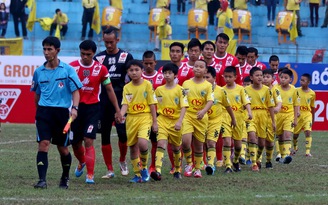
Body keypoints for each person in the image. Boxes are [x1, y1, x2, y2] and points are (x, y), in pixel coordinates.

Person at [31, 36, 82, 189]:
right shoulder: (39, 72)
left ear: (57, 51)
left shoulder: (67, 70)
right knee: (43, 144)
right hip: (44, 113)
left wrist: (75, 108)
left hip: (61, 114)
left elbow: (76, 91)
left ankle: (65, 178)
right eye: (44, 49)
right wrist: (38, 113)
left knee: (63, 148)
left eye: (49, 49)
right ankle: (42, 180)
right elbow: (36, 94)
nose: (46, 52)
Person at [69, 40, 122, 184]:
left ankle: (90, 175)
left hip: (93, 109)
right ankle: (81, 162)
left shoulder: (101, 69)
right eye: (83, 54)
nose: (85, 57)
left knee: (88, 140)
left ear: (93, 54)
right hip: (76, 109)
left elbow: (109, 89)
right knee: (75, 143)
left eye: (88, 54)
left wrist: (117, 110)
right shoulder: (72, 67)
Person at [94, 27, 133, 179]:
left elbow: (132, 78)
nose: (109, 45)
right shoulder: (98, 58)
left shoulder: (126, 56)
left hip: (122, 102)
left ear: (117, 40)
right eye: (106, 42)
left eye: (111, 42)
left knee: (123, 135)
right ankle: (109, 169)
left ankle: (122, 160)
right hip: (104, 102)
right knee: (105, 135)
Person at [120, 60, 158, 183]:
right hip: (131, 119)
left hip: (145, 117)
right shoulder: (126, 87)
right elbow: (125, 104)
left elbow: (152, 104)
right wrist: (120, 114)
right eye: (131, 70)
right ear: (127, 73)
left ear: (142, 71)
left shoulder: (147, 85)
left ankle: (144, 168)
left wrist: (155, 122)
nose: (134, 72)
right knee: (132, 147)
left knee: (143, 143)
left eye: (137, 70)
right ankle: (137, 174)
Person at [150, 62, 188, 181]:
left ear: (175, 75)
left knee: (176, 148)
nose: (167, 75)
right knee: (161, 144)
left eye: (169, 73)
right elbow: (153, 106)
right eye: (165, 73)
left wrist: (179, 121)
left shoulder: (180, 90)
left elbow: (184, 106)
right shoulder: (159, 90)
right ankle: (158, 170)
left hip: (176, 121)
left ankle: (177, 169)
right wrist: (154, 122)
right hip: (162, 120)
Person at [181, 59, 213, 178]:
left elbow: (210, 100)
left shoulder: (208, 85)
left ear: (205, 71)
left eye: (201, 67)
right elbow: (183, 100)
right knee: (185, 142)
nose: (198, 68)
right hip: (188, 116)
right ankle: (189, 164)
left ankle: (197, 168)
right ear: (192, 68)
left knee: (199, 145)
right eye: (196, 66)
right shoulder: (186, 84)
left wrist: (203, 111)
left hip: (201, 118)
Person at [204, 66, 236, 175]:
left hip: (216, 120)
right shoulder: (200, 90)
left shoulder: (221, 91)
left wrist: (233, 119)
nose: (205, 79)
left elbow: (228, 106)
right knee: (201, 144)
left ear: (214, 78)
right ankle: (198, 164)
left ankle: (212, 165)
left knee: (211, 142)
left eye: (207, 77)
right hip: (202, 121)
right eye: (203, 77)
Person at [221, 66, 252, 173]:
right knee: (227, 141)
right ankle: (228, 165)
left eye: (230, 77)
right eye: (226, 77)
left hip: (239, 118)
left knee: (238, 145)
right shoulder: (222, 90)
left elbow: (246, 102)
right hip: (225, 118)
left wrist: (249, 112)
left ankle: (235, 160)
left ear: (235, 77)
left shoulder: (241, 89)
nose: (227, 79)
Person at [245, 67, 275, 171]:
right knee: (253, 138)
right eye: (257, 75)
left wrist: (273, 122)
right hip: (251, 115)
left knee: (262, 143)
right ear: (251, 77)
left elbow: (270, 106)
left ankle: (257, 159)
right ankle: (254, 164)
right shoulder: (246, 90)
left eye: (261, 75)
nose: (260, 77)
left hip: (263, 116)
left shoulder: (267, 90)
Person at [141, 50, 165, 173]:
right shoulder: (139, 77)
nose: (148, 66)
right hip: (142, 115)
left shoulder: (161, 77)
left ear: (155, 62)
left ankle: (153, 166)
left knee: (155, 141)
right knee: (141, 142)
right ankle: (142, 165)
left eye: (151, 63)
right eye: (146, 63)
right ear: (142, 63)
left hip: (158, 115)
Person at [275, 68, 300, 164]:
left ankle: (286, 155)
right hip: (278, 116)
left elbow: (296, 104)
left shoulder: (294, 89)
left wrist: (295, 118)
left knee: (287, 134)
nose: (283, 79)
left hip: (289, 115)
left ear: (290, 79)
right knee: (280, 137)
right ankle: (281, 155)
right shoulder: (275, 89)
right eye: (281, 77)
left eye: (286, 78)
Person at [292, 73, 315, 157]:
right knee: (295, 135)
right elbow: (293, 103)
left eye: (303, 80)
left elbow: (312, 107)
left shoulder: (312, 93)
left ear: (308, 82)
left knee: (308, 132)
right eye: (300, 80)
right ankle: (295, 148)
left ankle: (307, 152)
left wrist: (313, 118)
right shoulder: (296, 90)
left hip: (307, 115)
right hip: (298, 115)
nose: (301, 82)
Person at [262, 68, 282, 168]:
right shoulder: (257, 89)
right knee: (257, 139)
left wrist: (277, 108)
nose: (265, 79)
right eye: (263, 76)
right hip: (259, 117)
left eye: (267, 77)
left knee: (269, 141)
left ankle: (269, 160)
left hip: (270, 118)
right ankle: (256, 160)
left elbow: (279, 103)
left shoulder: (275, 90)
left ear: (273, 78)